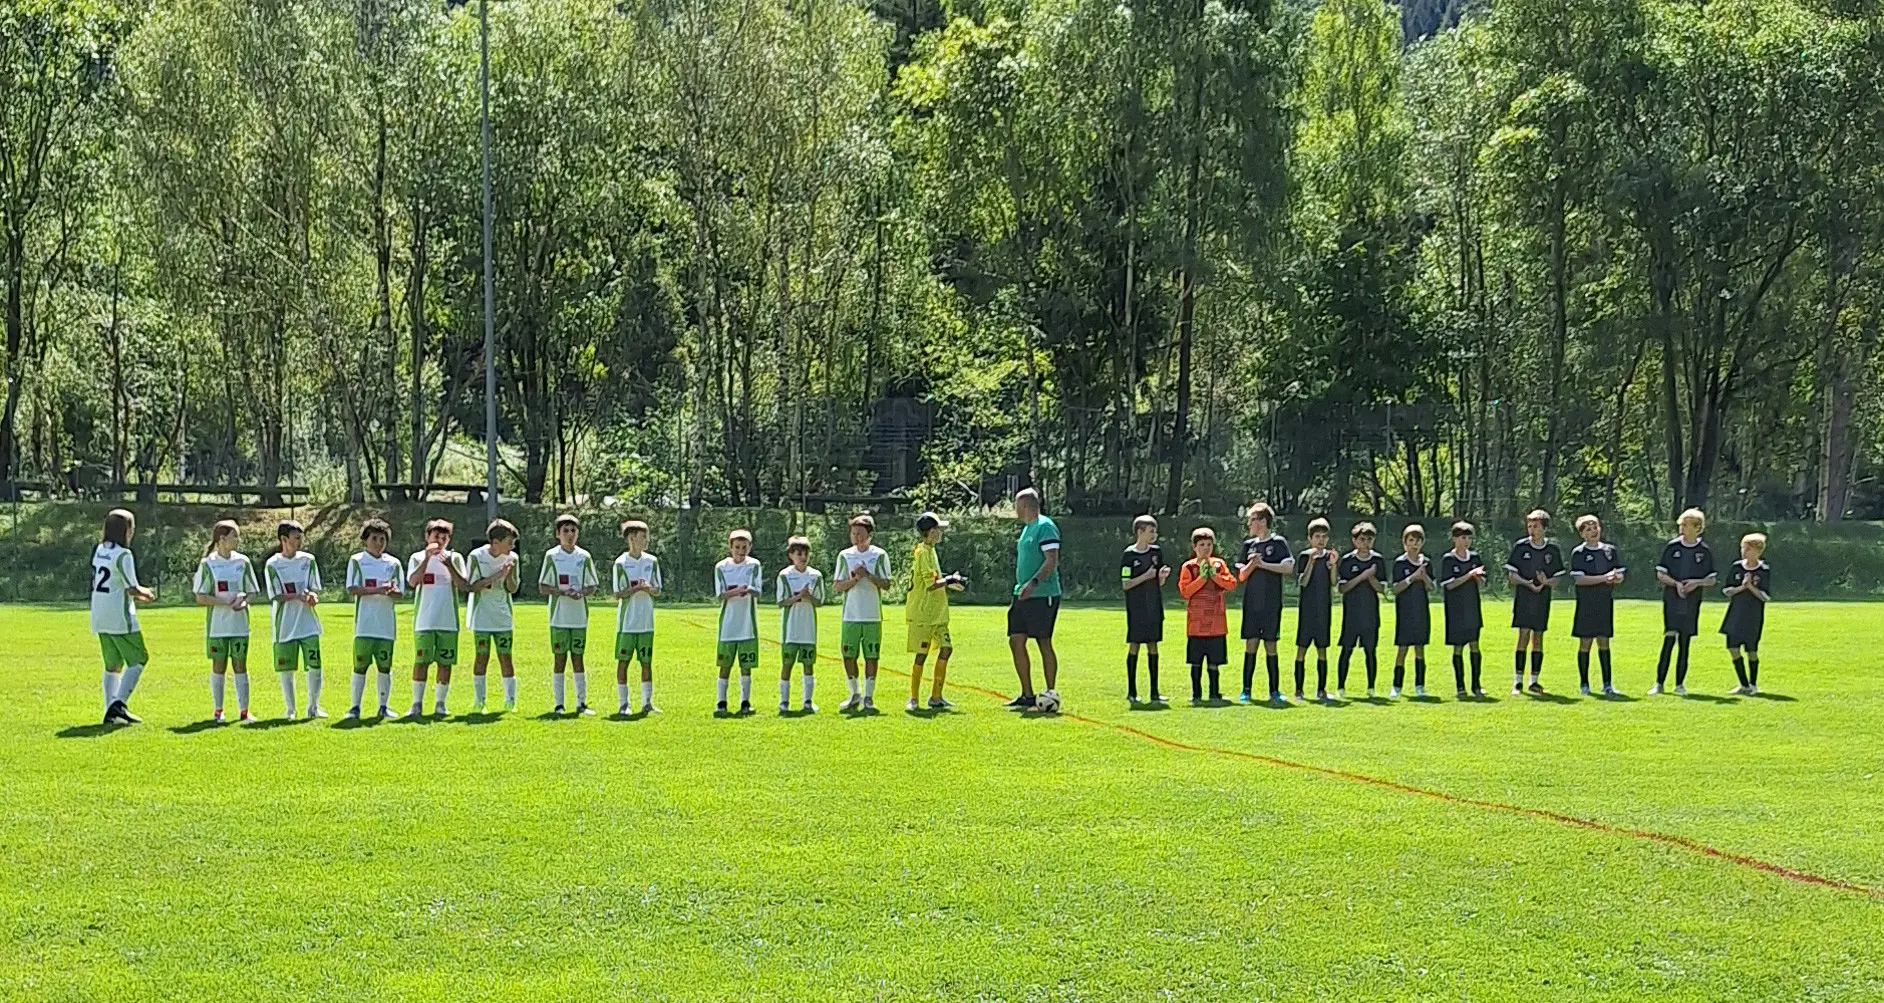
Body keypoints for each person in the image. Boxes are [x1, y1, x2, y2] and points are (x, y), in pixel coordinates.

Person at [193, 520, 259, 723]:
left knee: (241, 665)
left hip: (239, 625)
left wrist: (244, 600)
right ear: (222, 539)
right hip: (217, 627)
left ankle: (244, 711)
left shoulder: (243, 562)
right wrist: (224, 602)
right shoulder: (208, 564)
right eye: (234, 536)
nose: (238, 540)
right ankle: (218, 710)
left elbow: (253, 591)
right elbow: (200, 596)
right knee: (218, 666)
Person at [406, 518, 470, 717]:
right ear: (427, 537)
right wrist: (427, 559)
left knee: (445, 663)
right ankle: (416, 704)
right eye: (436, 536)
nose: (440, 541)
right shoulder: (417, 557)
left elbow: (463, 586)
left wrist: (450, 565)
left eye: (444, 537)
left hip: (448, 621)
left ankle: (440, 704)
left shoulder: (455, 558)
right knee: (421, 662)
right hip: (424, 621)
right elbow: (413, 582)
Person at [539, 514, 601, 716]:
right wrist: (563, 592)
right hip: (558, 617)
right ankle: (559, 704)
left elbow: (592, 585)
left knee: (578, 658)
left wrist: (581, 593)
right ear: (558, 534)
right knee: (559, 659)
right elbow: (543, 586)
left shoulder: (584, 557)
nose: (570, 535)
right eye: (565, 531)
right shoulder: (551, 556)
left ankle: (581, 703)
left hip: (579, 617)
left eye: (573, 530)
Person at [1007, 488, 1062, 710]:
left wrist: (1034, 583)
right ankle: (1027, 695)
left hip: (1043, 595)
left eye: (1017, 505)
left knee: (1043, 641)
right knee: (1015, 640)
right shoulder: (1027, 529)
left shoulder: (1045, 526)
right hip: (1021, 594)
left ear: (1026, 505)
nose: (1015, 509)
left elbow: (1051, 561)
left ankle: (1050, 692)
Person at [345, 518, 404, 720]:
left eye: (382, 539)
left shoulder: (393, 563)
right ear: (365, 540)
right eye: (375, 538)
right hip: (364, 626)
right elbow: (352, 589)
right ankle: (354, 707)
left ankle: (383, 706)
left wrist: (392, 591)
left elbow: (400, 593)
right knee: (360, 667)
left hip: (386, 626)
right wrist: (377, 590)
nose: (379, 543)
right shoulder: (357, 561)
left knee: (385, 668)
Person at [1653, 508, 1717, 695]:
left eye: (1686, 524)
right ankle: (1659, 683)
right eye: (1681, 524)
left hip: (1692, 601)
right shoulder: (1672, 547)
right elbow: (1660, 573)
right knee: (1669, 638)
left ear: (1698, 528)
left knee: (1685, 642)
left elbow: (1711, 579)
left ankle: (1680, 684)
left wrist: (1696, 583)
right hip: (1672, 599)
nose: (1681, 527)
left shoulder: (1704, 551)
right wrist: (1676, 584)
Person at [265, 520, 324, 720]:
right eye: (296, 538)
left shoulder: (308, 560)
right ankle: (290, 709)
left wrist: (312, 597)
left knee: (315, 665)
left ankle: (313, 707)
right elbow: (276, 595)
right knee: (287, 669)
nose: (299, 542)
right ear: (283, 539)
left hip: (308, 623)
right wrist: (297, 596)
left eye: (301, 538)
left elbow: (314, 588)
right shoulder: (273, 564)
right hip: (285, 625)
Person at [906, 512, 965, 712]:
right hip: (924, 614)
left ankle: (936, 696)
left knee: (946, 649)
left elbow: (935, 580)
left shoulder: (931, 551)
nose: (940, 533)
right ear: (931, 532)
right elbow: (930, 585)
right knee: (921, 655)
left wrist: (950, 583)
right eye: (938, 530)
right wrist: (949, 580)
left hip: (938, 614)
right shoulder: (922, 552)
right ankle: (913, 698)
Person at [1235, 502, 1293, 704]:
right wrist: (1253, 564)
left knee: (1271, 645)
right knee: (1251, 644)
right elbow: (1241, 575)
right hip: (1251, 603)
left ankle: (1274, 691)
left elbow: (1288, 567)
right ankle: (1246, 690)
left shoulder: (1278, 543)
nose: (1249, 524)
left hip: (1271, 603)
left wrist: (1264, 564)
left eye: (1252, 520)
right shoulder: (1248, 545)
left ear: (1262, 521)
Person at [834, 516, 891, 712]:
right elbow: (838, 586)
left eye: (860, 533)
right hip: (850, 615)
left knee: (871, 657)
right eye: (853, 533)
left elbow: (887, 584)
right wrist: (855, 579)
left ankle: (868, 696)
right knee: (848, 655)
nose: (856, 537)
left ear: (870, 535)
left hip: (872, 616)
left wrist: (867, 575)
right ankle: (854, 693)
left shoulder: (880, 555)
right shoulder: (845, 556)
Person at [1504, 509, 1565, 695]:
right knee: (1523, 636)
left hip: (1542, 599)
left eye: (1536, 526)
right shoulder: (1520, 547)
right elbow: (1512, 576)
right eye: (1529, 526)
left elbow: (1558, 578)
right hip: (1524, 598)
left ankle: (1534, 681)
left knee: (1538, 638)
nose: (1531, 530)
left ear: (1544, 528)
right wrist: (1528, 583)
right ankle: (1518, 681)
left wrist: (1545, 582)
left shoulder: (1552, 550)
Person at [466, 519, 523, 713]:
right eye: (509, 542)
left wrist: (509, 575)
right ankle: (479, 701)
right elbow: (472, 587)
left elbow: (513, 589)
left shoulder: (512, 558)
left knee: (505, 657)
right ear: (495, 542)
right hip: (481, 616)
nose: (512, 546)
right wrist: (495, 576)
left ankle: (510, 701)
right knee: (481, 657)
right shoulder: (476, 556)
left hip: (503, 617)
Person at [1177, 528, 1238, 704]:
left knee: (1215, 662)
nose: (1206, 548)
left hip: (1216, 623)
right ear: (1194, 547)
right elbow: (1185, 591)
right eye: (1202, 545)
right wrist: (1202, 579)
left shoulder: (1218, 564)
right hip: (1196, 624)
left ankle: (1214, 693)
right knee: (1196, 662)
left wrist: (1215, 576)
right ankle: (1196, 694)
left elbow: (1231, 584)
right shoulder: (1188, 567)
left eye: (1209, 544)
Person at [1569, 514, 1625, 696]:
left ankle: (1607, 683)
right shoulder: (1579, 553)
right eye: (1589, 528)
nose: (1594, 531)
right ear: (1582, 533)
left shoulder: (1610, 550)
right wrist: (1604, 578)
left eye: (1596, 527)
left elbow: (1620, 574)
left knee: (1604, 642)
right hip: (1586, 603)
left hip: (1604, 602)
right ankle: (1584, 684)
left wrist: (1616, 578)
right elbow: (1580, 579)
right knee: (1585, 643)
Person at [612, 520, 663, 715]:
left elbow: (657, 590)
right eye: (643, 537)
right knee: (623, 662)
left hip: (646, 622)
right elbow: (618, 593)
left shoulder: (652, 561)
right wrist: (635, 588)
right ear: (631, 538)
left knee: (646, 662)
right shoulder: (621, 563)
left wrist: (648, 588)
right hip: (627, 623)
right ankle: (624, 703)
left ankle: (647, 702)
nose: (647, 540)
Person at [1121, 515, 1171, 704]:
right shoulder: (1129, 555)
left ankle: (1154, 691)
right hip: (1136, 608)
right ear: (1140, 532)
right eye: (1151, 531)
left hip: (1154, 606)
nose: (1154, 535)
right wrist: (1146, 575)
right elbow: (1126, 584)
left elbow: (1157, 580)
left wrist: (1162, 577)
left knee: (1153, 645)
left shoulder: (1156, 552)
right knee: (1134, 645)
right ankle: (1132, 691)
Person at [714, 529, 764, 714]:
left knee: (746, 666)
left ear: (750, 547)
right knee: (724, 666)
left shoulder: (754, 565)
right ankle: (721, 702)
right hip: (727, 626)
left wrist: (748, 590)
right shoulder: (721, 567)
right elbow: (720, 595)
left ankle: (745, 702)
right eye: (737, 547)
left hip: (747, 626)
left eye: (744, 547)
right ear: (730, 547)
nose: (741, 551)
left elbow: (758, 591)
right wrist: (736, 592)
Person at [1336, 522, 1388, 700]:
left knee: (1370, 651)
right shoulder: (1348, 560)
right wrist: (1362, 576)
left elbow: (1381, 588)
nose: (1366, 543)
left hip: (1371, 614)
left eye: (1369, 539)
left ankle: (1371, 687)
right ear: (1354, 540)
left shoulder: (1378, 561)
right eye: (1362, 539)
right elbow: (1342, 588)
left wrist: (1371, 576)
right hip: (1351, 614)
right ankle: (1341, 687)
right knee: (1346, 650)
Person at [1439, 522, 1487, 698]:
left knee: (1475, 645)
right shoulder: (1448, 559)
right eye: (1462, 538)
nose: (1466, 541)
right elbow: (1449, 585)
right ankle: (1460, 687)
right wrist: (1469, 575)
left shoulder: (1474, 557)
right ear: (1454, 539)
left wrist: (1479, 578)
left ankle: (1476, 685)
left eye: (1468, 538)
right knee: (1458, 648)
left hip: (1472, 608)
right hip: (1455, 610)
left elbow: (1482, 584)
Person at [775, 536, 823, 713]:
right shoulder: (785, 575)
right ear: (791, 555)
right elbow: (781, 602)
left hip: (808, 629)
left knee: (808, 665)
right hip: (790, 630)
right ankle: (784, 702)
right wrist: (797, 597)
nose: (803, 557)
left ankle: (808, 701)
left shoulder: (816, 576)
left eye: (806, 553)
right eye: (799, 553)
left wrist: (809, 597)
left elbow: (819, 601)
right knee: (787, 664)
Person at [1721, 533, 1772, 695]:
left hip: (1753, 616)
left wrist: (1751, 587)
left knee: (1751, 651)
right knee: (1732, 648)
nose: (1744, 551)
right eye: (1743, 547)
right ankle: (1743, 684)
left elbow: (1765, 597)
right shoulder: (1736, 567)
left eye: (1748, 548)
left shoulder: (1763, 570)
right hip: (1735, 614)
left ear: (1758, 551)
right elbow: (1727, 590)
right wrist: (1741, 587)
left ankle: (1753, 684)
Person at [1293, 518, 1337, 701]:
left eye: (1324, 537)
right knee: (1302, 649)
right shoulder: (1305, 556)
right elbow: (1302, 582)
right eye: (1317, 536)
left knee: (1322, 649)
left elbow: (1334, 582)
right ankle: (1299, 690)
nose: (1321, 540)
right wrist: (1311, 561)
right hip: (1307, 609)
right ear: (1310, 538)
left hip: (1323, 608)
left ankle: (1321, 690)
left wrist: (1333, 565)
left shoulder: (1330, 556)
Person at [1390, 524, 1432, 699]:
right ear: (1404, 542)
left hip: (1421, 611)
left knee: (1420, 649)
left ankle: (1420, 686)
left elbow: (1432, 587)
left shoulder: (1426, 562)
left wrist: (1424, 577)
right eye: (1411, 540)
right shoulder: (1400, 563)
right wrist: (1412, 578)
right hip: (1405, 611)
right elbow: (1395, 588)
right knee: (1402, 649)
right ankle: (1396, 686)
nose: (1414, 544)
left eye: (1418, 541)